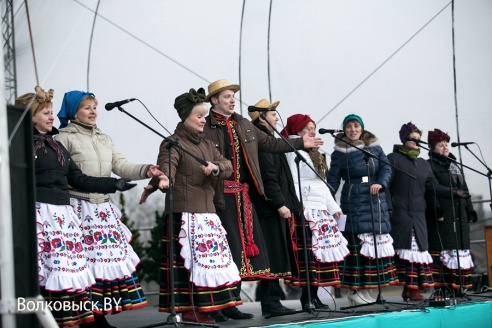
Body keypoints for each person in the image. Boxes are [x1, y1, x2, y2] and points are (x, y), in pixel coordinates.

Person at [202, 80, 324, 321]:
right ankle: (217, 305)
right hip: (217, 196)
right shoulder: (206, 127)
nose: (232, 99)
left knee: (239, 253)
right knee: (222, 252)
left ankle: (231, 304)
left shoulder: (243, 124)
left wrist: (300, 143)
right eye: (226, 96)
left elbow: (270, 142)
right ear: (214, 100)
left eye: (232, 96)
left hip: (242, 196)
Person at [15, 86, 136, 328]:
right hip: (40, 214)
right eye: (45, 113)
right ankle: (34, 320)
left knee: (66, 274)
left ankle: (67, 320)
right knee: (44, 272)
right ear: (30, 116)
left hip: (62, 215)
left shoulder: (57, 147)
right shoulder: (23, 145)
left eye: (51, 112)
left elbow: (79, 179)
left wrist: (114, 184)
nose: (51, 116)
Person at [56, 90, 167, 327]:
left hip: (102, 210)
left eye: (95, 107)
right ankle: (87, 318)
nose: (94, 111)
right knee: (83, 265)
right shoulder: (62, 138)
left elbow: (120, 165)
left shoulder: (104, 138)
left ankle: (98, 317)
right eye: (87, 107)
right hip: (77, 206)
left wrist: (146, 169)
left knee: (101, 266)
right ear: (74, 111)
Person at [140, 88, 242, 324]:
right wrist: (161, 180)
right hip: (185, 214)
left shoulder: (206, 143)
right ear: (185, 118)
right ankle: (190, 310)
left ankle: (209, 307)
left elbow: (226, 164)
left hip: (207, 212)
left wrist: (215, 168)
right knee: (191, 266)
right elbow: (167, 165)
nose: (203, 120)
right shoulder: (172, 143)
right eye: (198, 116)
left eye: (204, 116)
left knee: (210, 263)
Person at [386, 122, 470, 302]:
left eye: (418, 139)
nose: (417, 141)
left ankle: (412, 289)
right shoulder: (393, 158)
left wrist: (453, 192)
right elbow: (385, 184)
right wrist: (389, 207)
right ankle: (410, 288)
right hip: (401, 212)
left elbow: (434, 186)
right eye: (413, 138)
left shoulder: (423, 164)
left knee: (418, 251)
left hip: (418, 213)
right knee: (406, 250)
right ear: (404, 139)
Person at [327, 114, 398, 306]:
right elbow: (333, 179)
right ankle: (354, 290)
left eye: (356, 126)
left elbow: (386, 168)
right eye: (348, 126)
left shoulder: (374, 148)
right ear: (344, 130)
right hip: (354, 200)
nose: (352, 130)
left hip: (376, 201)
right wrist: (327, 202)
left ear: (362, 128)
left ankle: (367, 290)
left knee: (372, 250)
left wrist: (381, 183)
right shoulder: (339, 153)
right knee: (357, 249)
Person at [281, 114, 350, 310]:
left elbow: (321, 183)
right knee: (308, 257)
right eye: (307, 128)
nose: (312, 131)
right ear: (298, 131)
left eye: (313, 127)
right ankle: (307, 297)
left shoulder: (317, 153)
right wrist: (298, 202)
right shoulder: (292, 149)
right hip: (306, 209)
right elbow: (292, 179)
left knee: (319, 257)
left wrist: (334, 208)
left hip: (320, 209)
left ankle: (315, 296)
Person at [248, 99, 298, 317]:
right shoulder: (262, 140)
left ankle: (274, 301)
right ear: (261, 117)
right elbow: (268, 177)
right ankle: (271, 303)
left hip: (274, 207)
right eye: (272, 113)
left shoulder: (269, 139)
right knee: (271, 257)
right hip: (268, 209)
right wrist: (280, 203)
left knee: (276, 256)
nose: (277, 117)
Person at [425, 129, 477, 295]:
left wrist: (469, 209)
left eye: (446, 144)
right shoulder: (430, 165)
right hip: (444, 215)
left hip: (459, 214)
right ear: (433, 148)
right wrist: (436, 208)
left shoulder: (454, 165)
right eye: (441, 145)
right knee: (444, 250)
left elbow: (464, 189)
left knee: (459, 250)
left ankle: (459, 287)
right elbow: (430, 189)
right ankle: (443, 288)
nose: (445, 147)